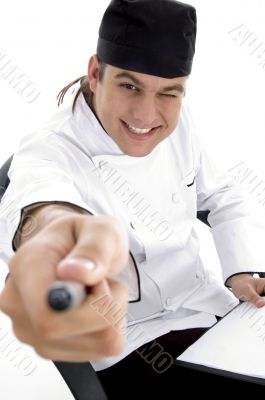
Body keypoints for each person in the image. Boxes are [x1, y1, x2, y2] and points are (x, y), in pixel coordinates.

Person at [0, 0, 265, 397]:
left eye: (168, 94)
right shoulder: (49, 151)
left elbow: (224, 195)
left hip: (211, 310)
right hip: (134, 344)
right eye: (129, 86)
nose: (146, 115)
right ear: (95, 73)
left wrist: (242, 271)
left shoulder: (179, 122)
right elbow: (41, 210)